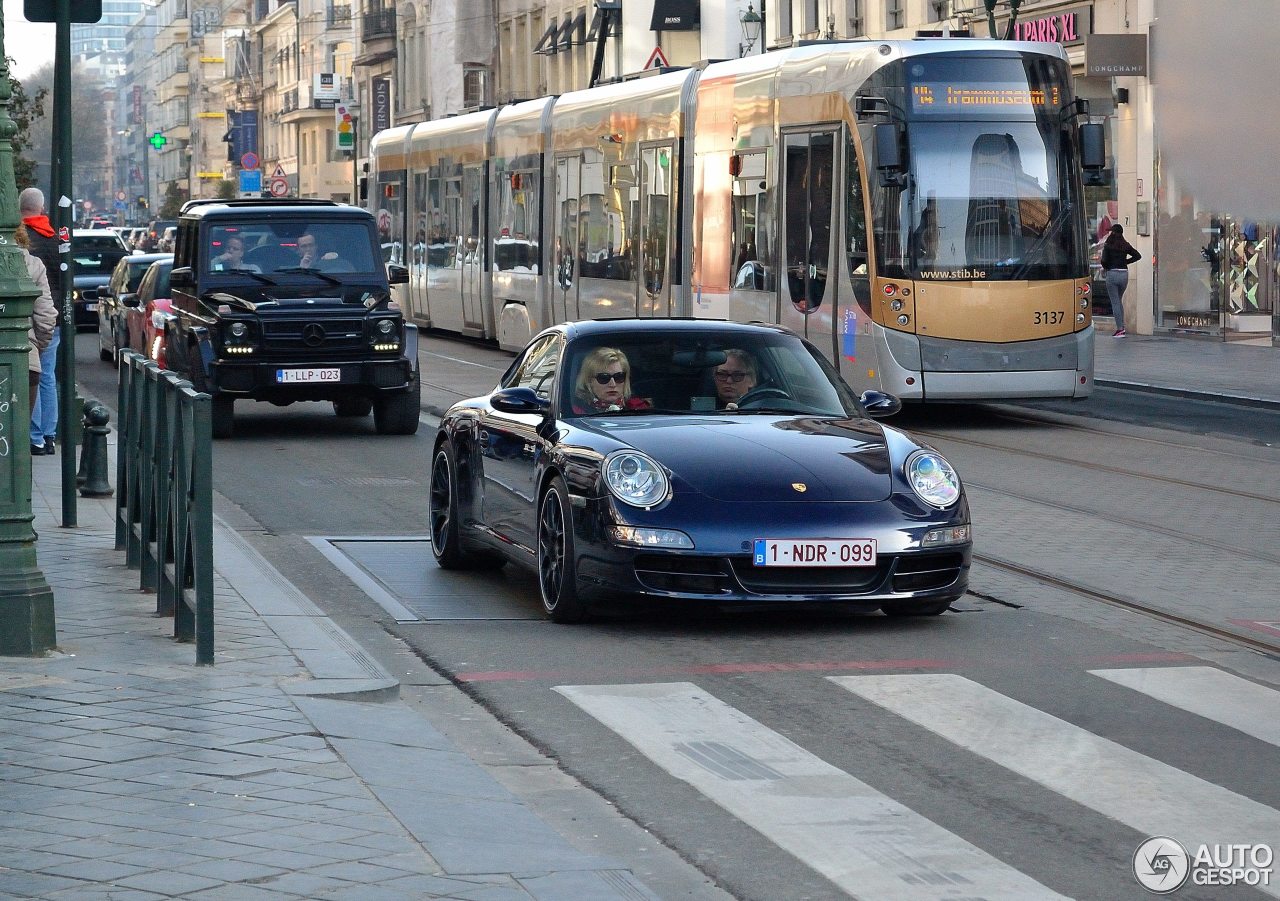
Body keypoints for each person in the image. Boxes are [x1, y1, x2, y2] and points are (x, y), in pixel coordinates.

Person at [21, 187, 62, 455]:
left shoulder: (20, 239)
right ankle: (49, 434)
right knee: (47, 376)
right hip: (51, 317)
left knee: (29, 374)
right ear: (42, 208)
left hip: (25, 324)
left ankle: (34, 435)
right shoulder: (55, 238)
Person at [17, 224, 57, 453]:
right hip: (26, 360)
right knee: (19, 433)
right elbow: (45, 317)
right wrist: (36, 347)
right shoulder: (33, 264)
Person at [572, 347, 650, 414]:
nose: (613, 384)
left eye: (619, 377)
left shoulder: (640, 409)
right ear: (589, 381)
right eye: (603, 378)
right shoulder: (576, 412)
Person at [1099, 223, 1142, 337]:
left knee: (1115, 302)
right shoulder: (1125, 245)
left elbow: (1103, 261)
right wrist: (1125, 262)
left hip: (1112, 273)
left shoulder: (1108, 245)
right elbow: (1138, 256)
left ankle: (1120, 329)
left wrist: (1107, 268)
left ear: (1113, 233)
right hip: (1124, 274)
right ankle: (1122, 326)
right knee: (1119, 300)